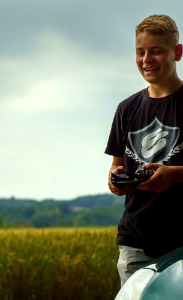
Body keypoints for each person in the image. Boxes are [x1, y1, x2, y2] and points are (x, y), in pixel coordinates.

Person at [105, 14, 183, 287]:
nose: (146, 60)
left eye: (157, 51)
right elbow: (116, 166)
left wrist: (172, 174)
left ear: (178, 52)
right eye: (140, 52)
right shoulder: (126, 108)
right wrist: (116, 180)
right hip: (135, 241)